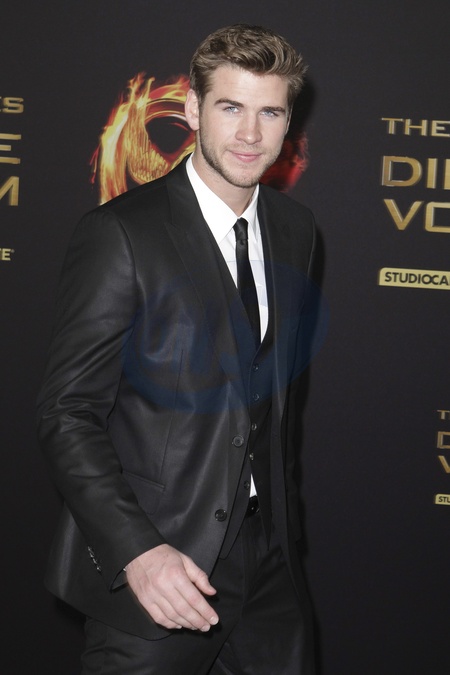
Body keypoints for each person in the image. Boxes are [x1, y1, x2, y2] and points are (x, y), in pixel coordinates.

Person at [37, 23, 317, 674]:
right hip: (161, 569)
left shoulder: (296, 231)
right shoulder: (121, 234)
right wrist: (139, 553)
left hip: (271, 569)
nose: (250, 134)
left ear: (288, 123)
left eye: (270, 112)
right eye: (231, 107)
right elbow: (67, 413)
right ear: (192, 109)